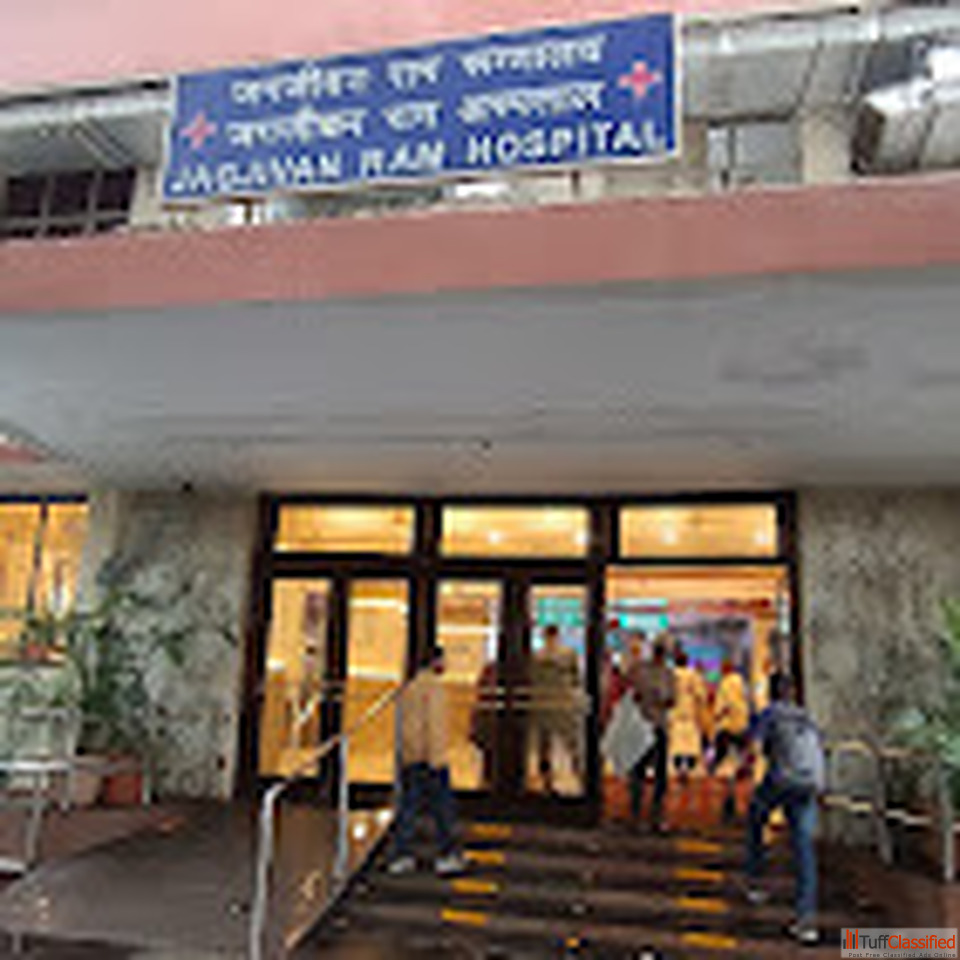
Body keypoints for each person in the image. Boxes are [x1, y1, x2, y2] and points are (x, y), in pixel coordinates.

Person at [741, 673, 824, 946]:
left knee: (755, 817)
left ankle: (755, 880)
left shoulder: (770, 714)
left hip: (781, 780)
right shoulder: (806, 717)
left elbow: (752, 744)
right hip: (809, 784)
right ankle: (806, 919)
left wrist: (745, 765)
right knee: (804, 847)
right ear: (792, 692)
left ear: (771, 692)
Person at [387, 647, 465, 876]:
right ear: (435, 662)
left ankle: (400, 854)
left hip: (412, 757)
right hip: (430, 759)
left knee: (409, 808)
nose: (446, 665)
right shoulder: (434, 688)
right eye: (443, 660)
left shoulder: (410, 688)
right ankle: (448, 854)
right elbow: (435, 726)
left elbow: (405, 726)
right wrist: (437, 758)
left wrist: (406, 755)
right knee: (444, 810)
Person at [626, 634, 675, 832]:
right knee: (647, 772)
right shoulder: (659, 673)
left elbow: (637, 695)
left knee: (649, 773)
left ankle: (645, 813)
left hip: (650, 725)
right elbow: (669, 699)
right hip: (649, 725)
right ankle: (645, 813)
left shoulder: (646, 671)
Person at [529, 624, 583, 794]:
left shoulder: (536, 656)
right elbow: (576, 679)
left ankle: (549, 780)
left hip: (544, 703)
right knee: (568, 742)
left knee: (546, 744)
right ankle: (578, 776)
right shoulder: (568, 655)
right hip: (561, 703)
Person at [710, 657, 751, 822]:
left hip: (727, 727)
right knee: (738, 762)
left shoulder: (725, 684)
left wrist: (715, 716)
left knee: (726, 765)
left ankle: (729, 799)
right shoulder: (741, 682)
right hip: (742, 726)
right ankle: (741, 801)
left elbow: (721, 707)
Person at [670, 647, 707, 784]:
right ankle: (688, 767)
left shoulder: (670, 675)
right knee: (690, 743)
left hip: (675, 712)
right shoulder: (693, 675)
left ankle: (678, 767)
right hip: (689, 711)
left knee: (676, 742)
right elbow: (701, 695)